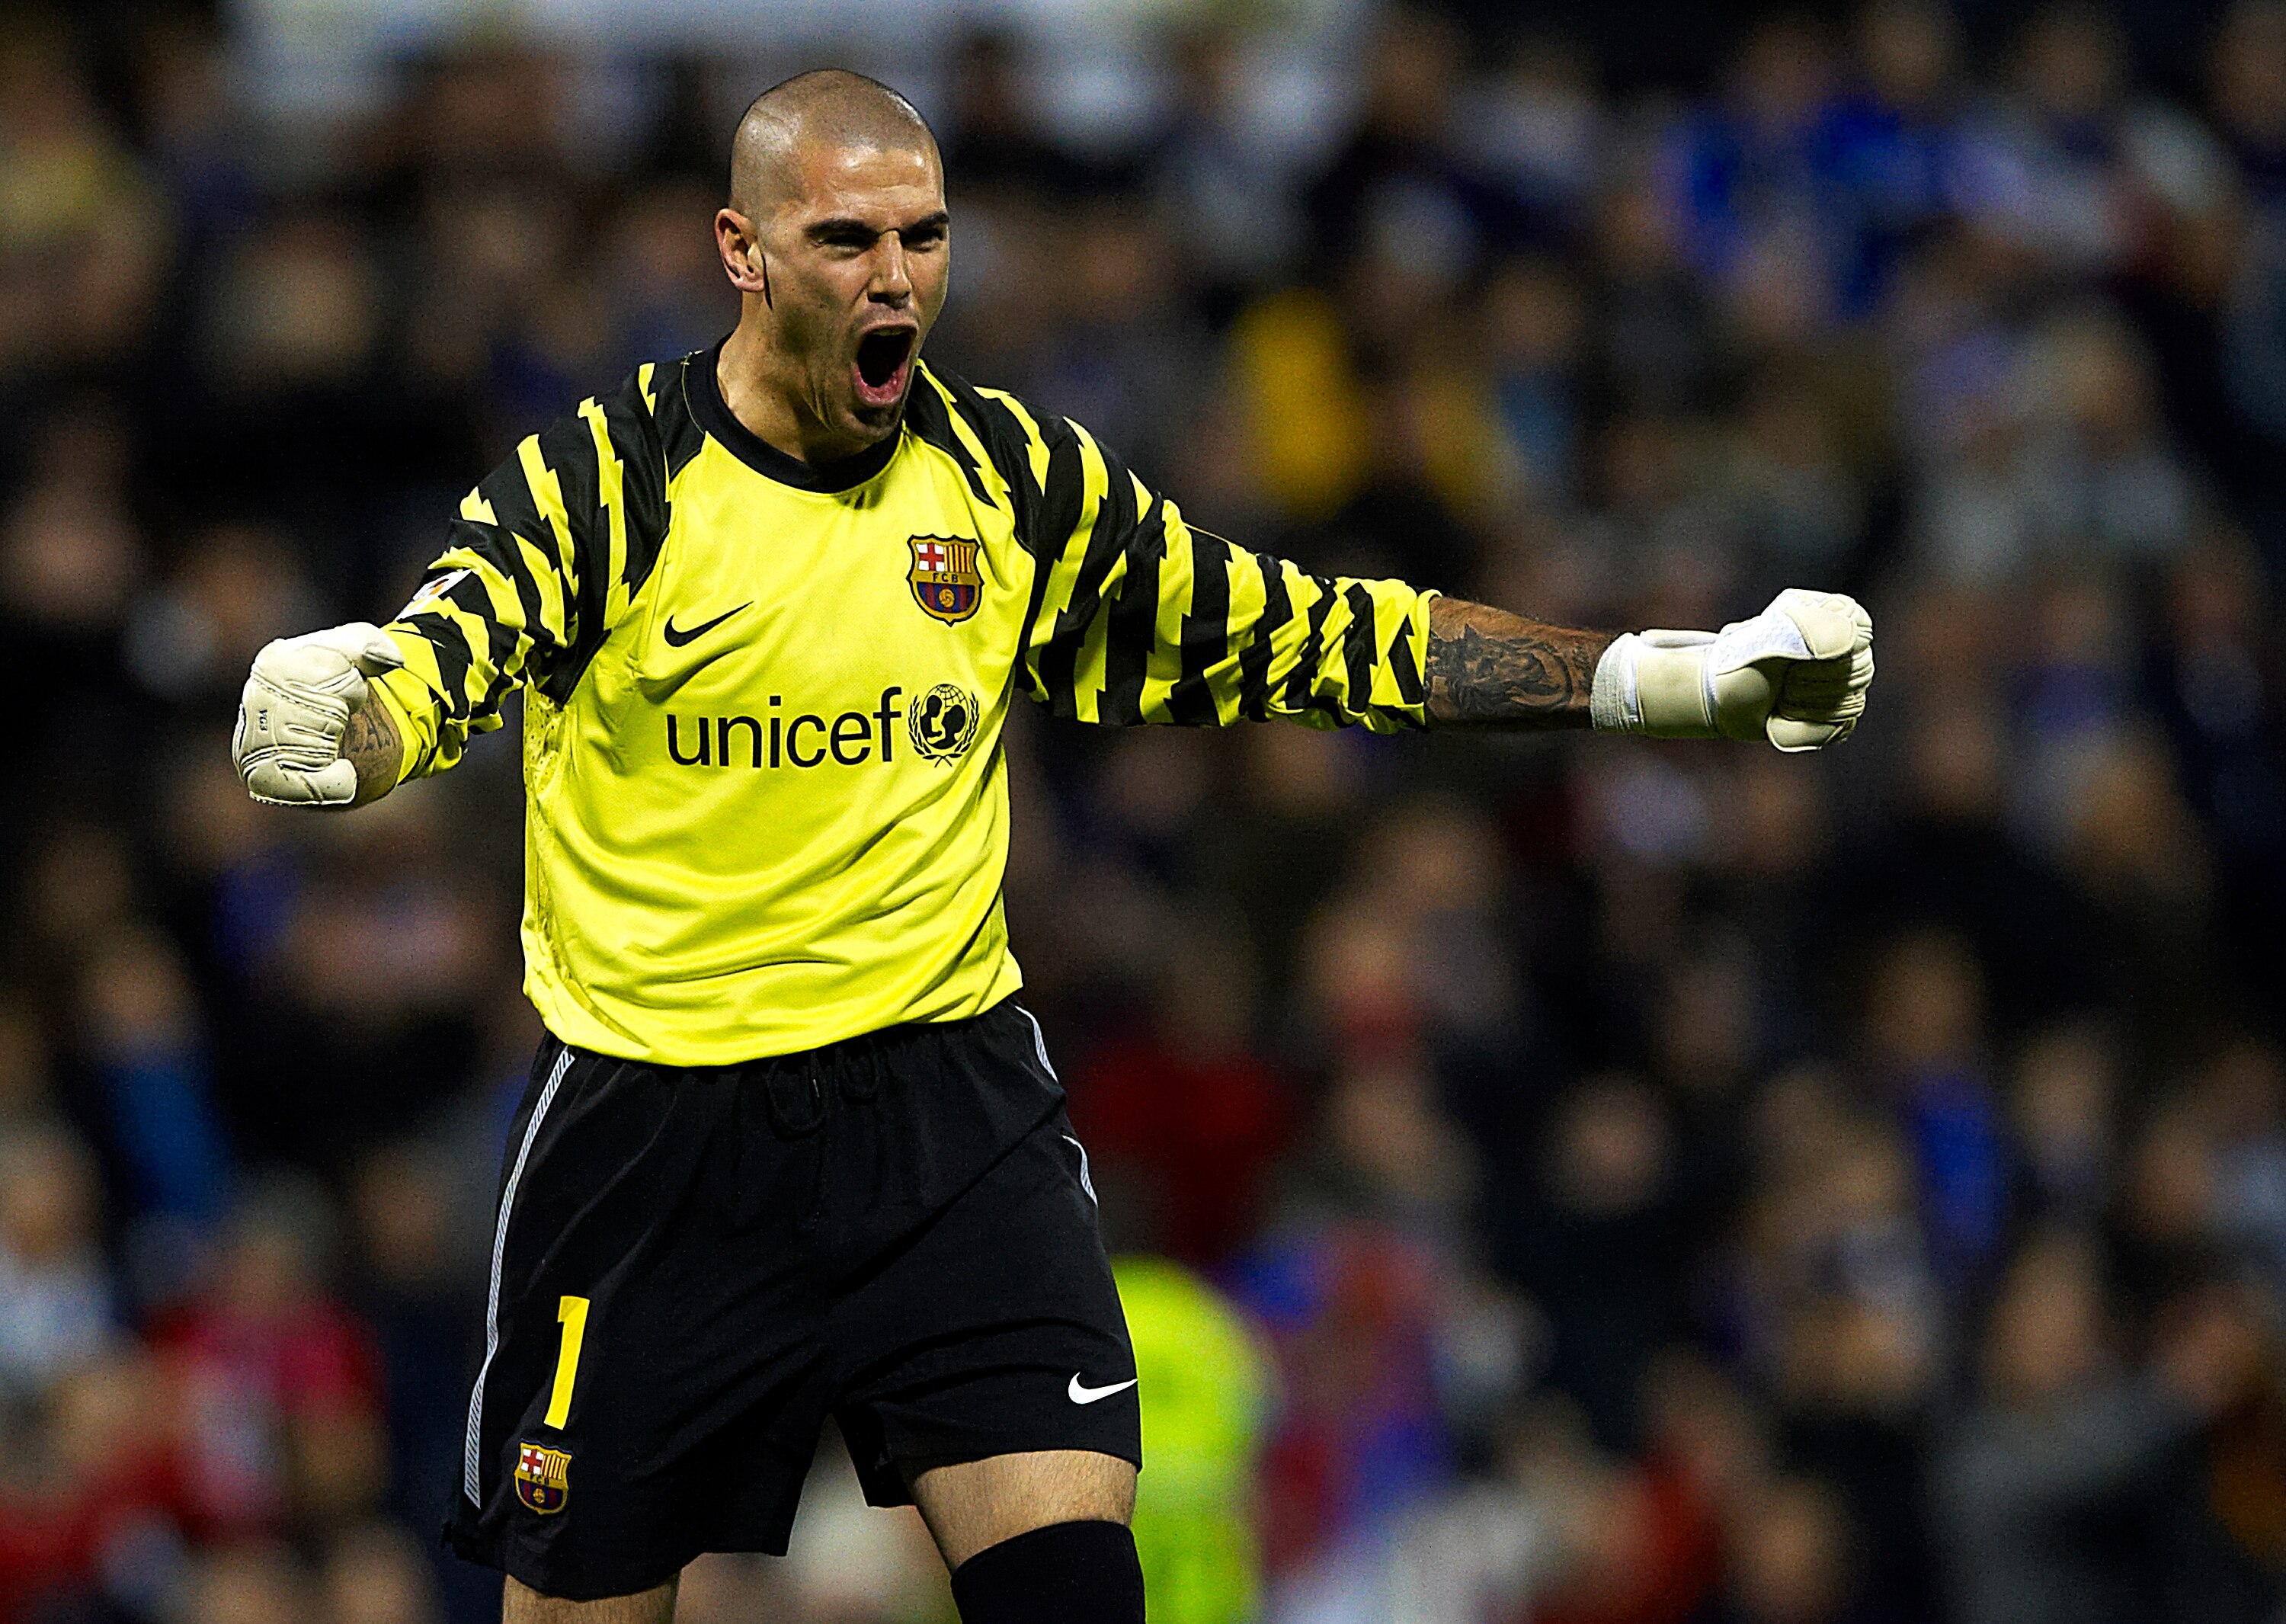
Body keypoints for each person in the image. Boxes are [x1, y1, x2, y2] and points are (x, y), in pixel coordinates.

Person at [227, 70, 1873, 1624]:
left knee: (1075, 1589)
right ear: (740, 251)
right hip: (659, 1134)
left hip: (947, 1116)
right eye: (847, 240)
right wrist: (348, 725)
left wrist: (1675, 678)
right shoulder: (606, 480)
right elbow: (444, 659)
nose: (897, 281)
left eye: (924, 237)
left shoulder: (1010, 481)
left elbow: (1313, 635)